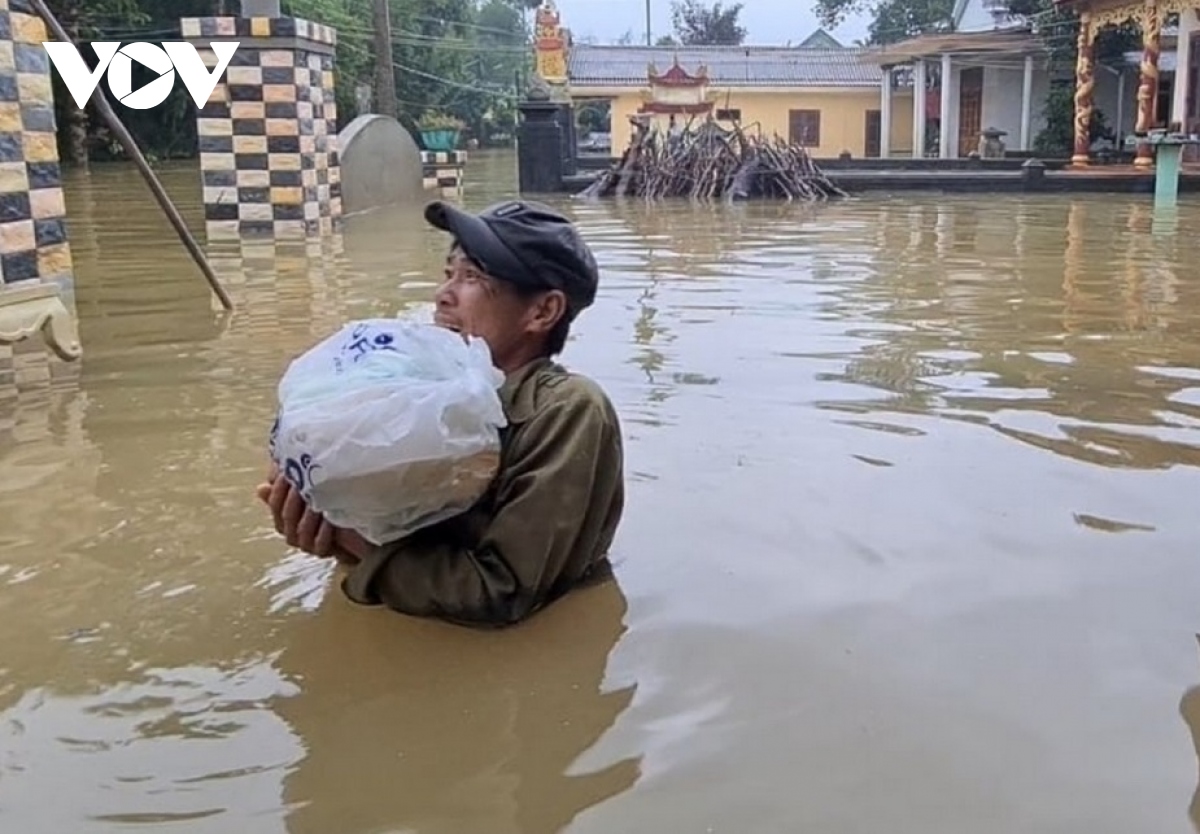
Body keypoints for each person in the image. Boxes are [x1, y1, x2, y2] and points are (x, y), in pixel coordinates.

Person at [257, 199, 625, 628]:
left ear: (542, 311)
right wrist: (325, 511)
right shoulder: (417, 395)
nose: (443, 295)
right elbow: (386, 530)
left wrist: (353, 543)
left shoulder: (568, 410)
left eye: (472, 277)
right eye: (448, 273)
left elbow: (500, 594)